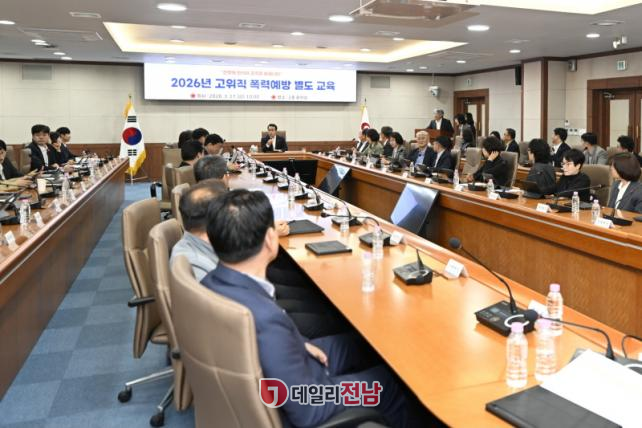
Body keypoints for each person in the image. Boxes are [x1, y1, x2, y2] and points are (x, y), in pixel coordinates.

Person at [200, 189, 411, 428]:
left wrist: (298, 343)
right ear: (270, 239)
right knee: (389, 384)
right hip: (308, 392)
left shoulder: (211, 282)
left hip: (291, 362)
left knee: (361, 345)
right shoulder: (265, 320)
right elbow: (308, 409)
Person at [172, 182, 346, 339]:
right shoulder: (194, 263)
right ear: (218, 217)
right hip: (253, 325)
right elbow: (230, 320)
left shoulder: (199, 243)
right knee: (331, 322)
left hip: (254, 305)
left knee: (312, 296)